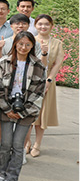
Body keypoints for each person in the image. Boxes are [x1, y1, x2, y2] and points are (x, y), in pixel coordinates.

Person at [0, 32, 46, 181]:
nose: (23, 47)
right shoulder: (3, 62)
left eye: (27, 44)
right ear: (15, 44)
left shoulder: (38, 66)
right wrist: (8, 109)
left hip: (27, 111)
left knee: (18, 145)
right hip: (5, 108)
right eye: (21, 44)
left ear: (32, 46)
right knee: (5, 144)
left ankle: (12, 177)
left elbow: (39, 92)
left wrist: (22, 112)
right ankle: (1, 173)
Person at [30, 14, 64, 157]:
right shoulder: (31, 40)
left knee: (42, 114)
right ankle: (26, 143)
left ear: (51, 26)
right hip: (31, 79)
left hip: (48, 80)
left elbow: (58, 62)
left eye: (46, 24)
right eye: (40, 24)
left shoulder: (57, 43)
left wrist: (49, 80)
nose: (43, 27)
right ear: (35, 25)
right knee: (28, 112)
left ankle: (37, 144)